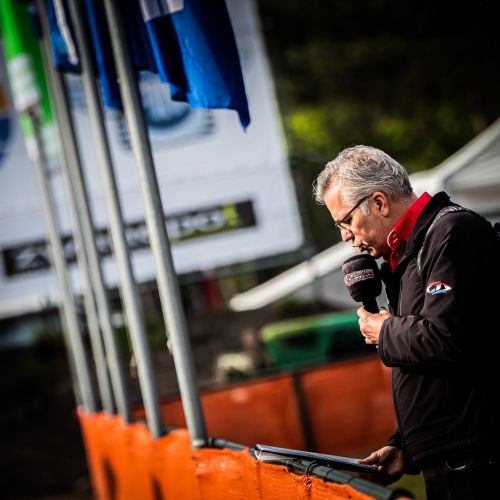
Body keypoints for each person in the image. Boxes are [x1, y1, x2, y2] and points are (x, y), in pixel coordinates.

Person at [313, 145, 499, 499]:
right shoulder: (410, 252)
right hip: (451, 459)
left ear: (379, 203)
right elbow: (438, 376)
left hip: (478, 463)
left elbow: (447, 338)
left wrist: (384, 330)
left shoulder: (452, 231)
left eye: (346, 221)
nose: (345, 236)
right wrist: (405, 447)